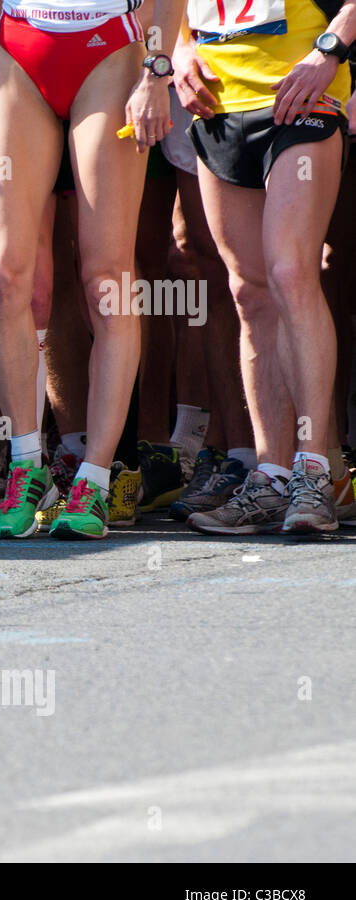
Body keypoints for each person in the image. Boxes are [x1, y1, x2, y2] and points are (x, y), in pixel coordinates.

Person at [0, 0, 181, 540]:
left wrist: (157, 67)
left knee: (106, 280)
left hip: (110, 46)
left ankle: (95, 478)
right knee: (3, 277)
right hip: (20, 47)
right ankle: (29, 468)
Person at [177, 0, 355, 535]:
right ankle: (272, 475)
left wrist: (330, 50)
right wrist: (176, 51)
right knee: (249, 293)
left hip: (302, 95)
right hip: (219, 105)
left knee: (290, 272)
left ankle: (315, 471)